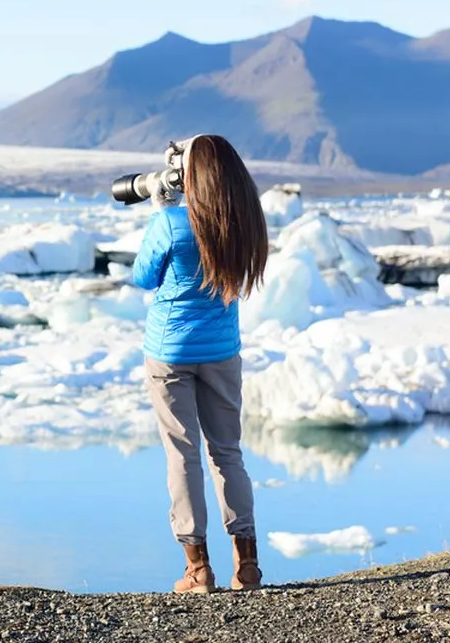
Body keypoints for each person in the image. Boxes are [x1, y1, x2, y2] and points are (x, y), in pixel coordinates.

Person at [130, 134, 268, 594]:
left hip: (170, 353)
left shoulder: (172, 223)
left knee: (183, 454)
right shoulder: (245, 223)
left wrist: (161, 211)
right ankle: (247, 567)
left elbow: (143, 276)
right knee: (227, 452)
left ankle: (198, 569)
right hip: (222, 351)